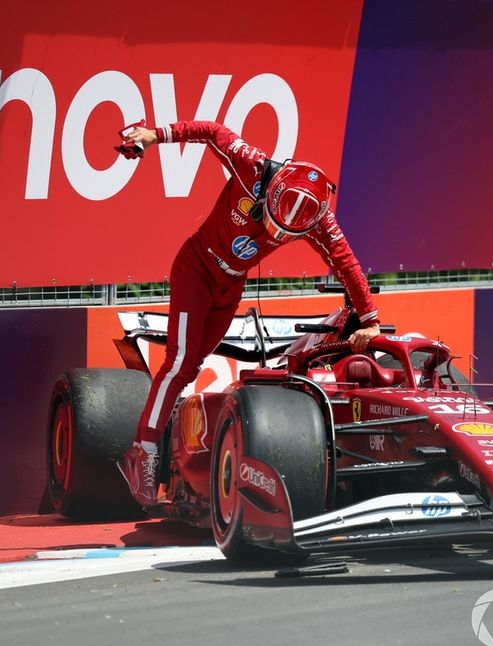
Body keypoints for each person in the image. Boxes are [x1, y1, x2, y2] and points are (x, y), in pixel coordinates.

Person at [115, 120, 381, 508]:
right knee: (179, 362)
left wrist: (370, 319)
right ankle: (142, 450)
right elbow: (211, 131)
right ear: (271, 190)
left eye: (287, 232)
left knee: (191, 367)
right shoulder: (251, 165)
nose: (275, 231)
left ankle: (171, 442)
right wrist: (157, 135)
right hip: (196, 269)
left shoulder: (319, 217)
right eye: (272, 218)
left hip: (231, 284)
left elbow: (347, 264)